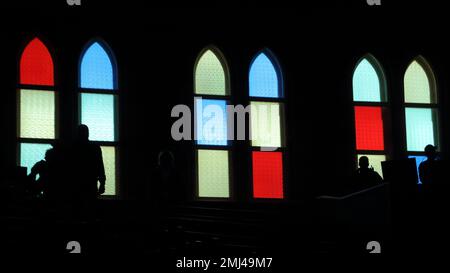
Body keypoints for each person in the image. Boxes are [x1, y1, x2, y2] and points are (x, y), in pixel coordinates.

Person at [69, 125, 106, 220]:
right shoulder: (95, 148)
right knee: (90, 213)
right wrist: (102, 183)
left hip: (74, 184)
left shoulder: (71, 148)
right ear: (87, 133)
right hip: (90, 183)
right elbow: (100, 167)